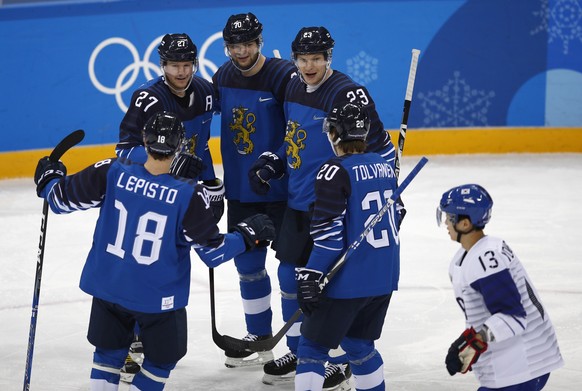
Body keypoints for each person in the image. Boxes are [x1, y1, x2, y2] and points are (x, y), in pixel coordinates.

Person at [33, 112, 275, 391]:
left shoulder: (111, 171)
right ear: (181, 146)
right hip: (157, 300)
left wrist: (50, 178)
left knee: (106, 357)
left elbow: (59, 200)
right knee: (160, 363)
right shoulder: (187, 194)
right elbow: (213, 253)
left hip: (108, 288)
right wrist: (245, 235)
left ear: (144, 143)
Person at [249, 26, 397, 389]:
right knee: (289, 276)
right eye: (303, 58)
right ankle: (301, 353)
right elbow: (294, 139)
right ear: (294, 58)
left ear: (329, 58)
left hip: (335, 205)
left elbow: (384, 152)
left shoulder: (349, 94)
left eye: (317, 58)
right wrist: (276, 161)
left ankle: (337, 359)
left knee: (331, 288)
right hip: (299, 199)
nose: (309, 65)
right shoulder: (292, 85)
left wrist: (389, 195)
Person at [115, 32, 224, 378]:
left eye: (186, 64)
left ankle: (148, 329)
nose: (181, 71)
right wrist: (167, 166)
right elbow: (123, 150)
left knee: (172, 263)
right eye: (174, 65)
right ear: (163, 66)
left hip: (189, 196)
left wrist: (211, 184)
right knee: (145, 262)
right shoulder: (148, 99)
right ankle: (131, 334)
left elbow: (202, 145)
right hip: (151, 195)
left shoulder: (206, 92)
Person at [293, 102, 400, 391]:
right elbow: (398, 215)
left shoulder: (333, 171)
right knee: (358, 344)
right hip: (383, 277)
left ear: (335, 134)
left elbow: (328, 239)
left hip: (347, 280)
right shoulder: (384, 166)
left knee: (311, 350)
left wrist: (311, 273)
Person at [211, 12, 297, 368]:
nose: (240, 50)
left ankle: (300, 349)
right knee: (247, 266)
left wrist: (274, 161)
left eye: (247, 43)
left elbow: (298, 129)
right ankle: (260, 337)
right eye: (234, 44)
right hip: (241, 193)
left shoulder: (281, 75)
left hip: (284, 193)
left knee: (291, 273)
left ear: (259, 42)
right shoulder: (222, 75)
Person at [437, 184, 564, 390]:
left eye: (450, 217)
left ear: (466, 223)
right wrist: (471, 337)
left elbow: (513, 315)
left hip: (524, 364)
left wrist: (475, 343)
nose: (445, 222)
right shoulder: (471, 255)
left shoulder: (485, 259)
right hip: (515, 363)